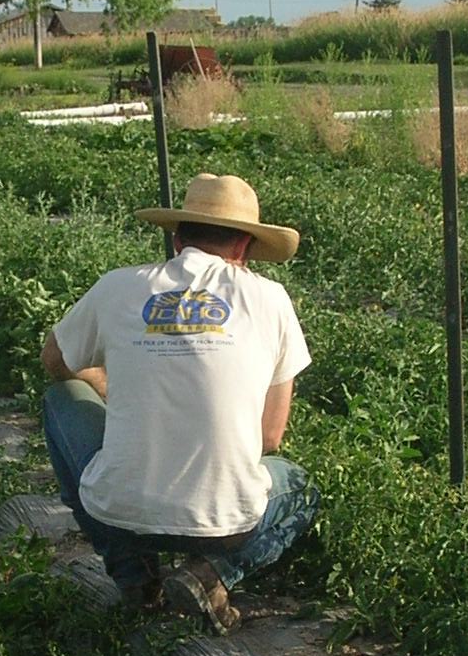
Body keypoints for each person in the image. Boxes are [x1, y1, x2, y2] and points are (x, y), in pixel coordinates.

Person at [40, 171, 317, 631]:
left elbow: (55, 359)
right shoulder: (270, 299)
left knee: (62, 398)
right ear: (245, 248)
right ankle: (208, 575)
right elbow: (270, 436)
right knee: (300, 488)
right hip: (228, 525)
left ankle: (136, 581)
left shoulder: (118, 286)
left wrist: (105, 383)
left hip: (116, 514)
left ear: (176, 239)